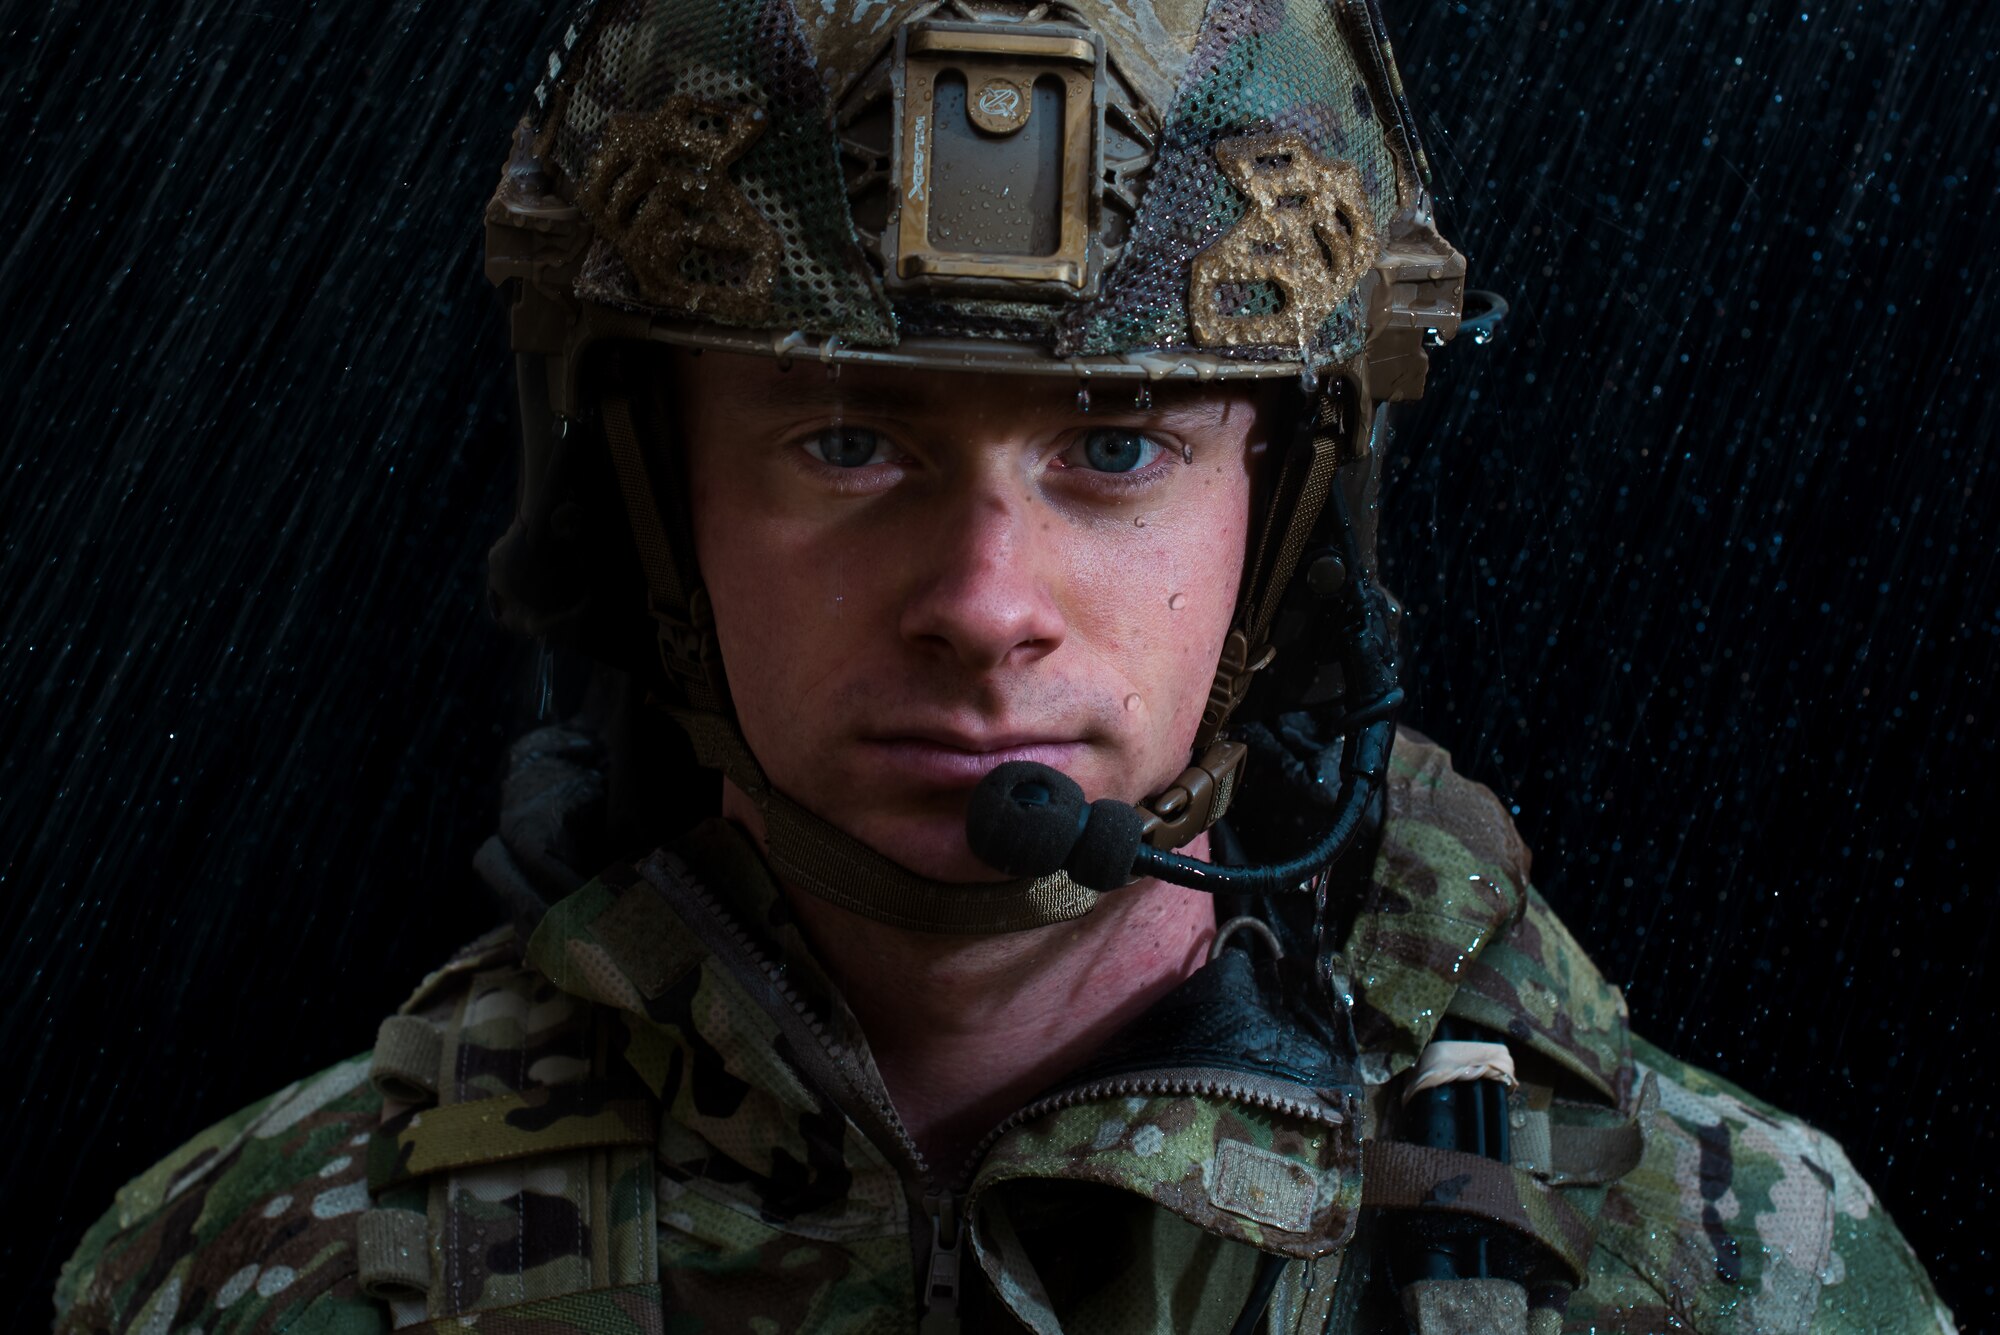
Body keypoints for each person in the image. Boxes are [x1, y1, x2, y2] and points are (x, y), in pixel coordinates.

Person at [53, 0, 1955, 1331]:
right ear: (657, 506)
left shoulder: (1720, 1264)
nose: (984, 599)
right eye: (847, 443)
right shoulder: (261, 1271)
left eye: (1115, 446)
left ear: (1278, 527)